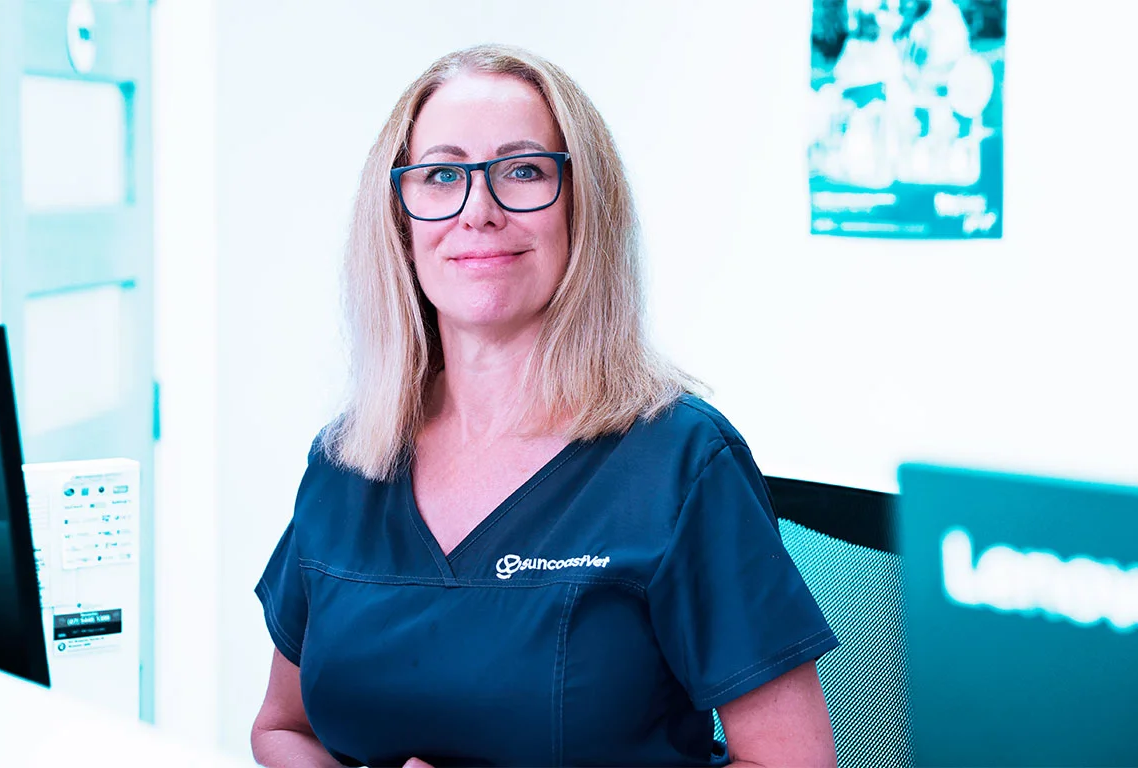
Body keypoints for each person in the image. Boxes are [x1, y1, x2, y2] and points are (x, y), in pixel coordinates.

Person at [251, 43, 839, 768]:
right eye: (441, 175)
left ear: (582, 207)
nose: (479, 211)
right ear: (400, 222)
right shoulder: (348, 460)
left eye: (523, 171)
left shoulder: (680, 462)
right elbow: (284, 730)